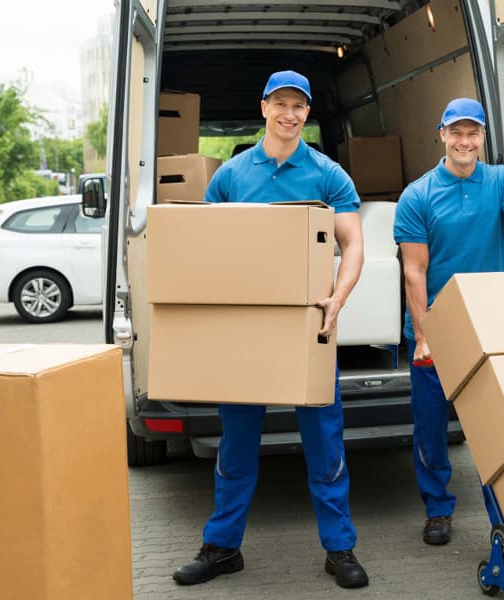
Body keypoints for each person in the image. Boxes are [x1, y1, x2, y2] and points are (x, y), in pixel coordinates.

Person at [172, 71, 369, 589]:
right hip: (249, 331)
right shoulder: (231, 177)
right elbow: (206, 248)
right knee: (236, 447)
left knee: (325, 447)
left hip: (309, 325)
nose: (290, 114)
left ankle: (340, 549)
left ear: (307, 113)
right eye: (280, 103)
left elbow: (354, 244)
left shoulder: (329, 175)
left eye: (299, 106)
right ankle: (221, 548)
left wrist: (339, 297)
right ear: (263, 107)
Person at [393, 98, 504, 546]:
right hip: (437, 328)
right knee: (431, 428)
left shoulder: (502, 180)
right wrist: (424, 336)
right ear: (442, 134)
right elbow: (415, 271)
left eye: (473, 134)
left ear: (482, 138)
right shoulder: (418, 195)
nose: (464, 142)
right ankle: (437, 510)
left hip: (488, 324)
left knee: (494, 427)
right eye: (456, 133)